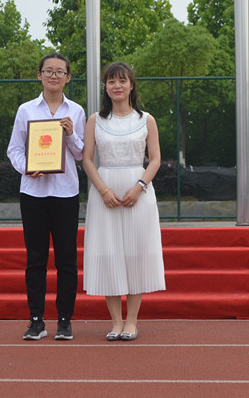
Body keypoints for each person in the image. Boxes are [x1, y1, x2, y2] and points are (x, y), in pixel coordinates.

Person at [82, 62, 166, 342]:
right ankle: (116, 322)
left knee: (135, 254)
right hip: (104, 194)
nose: (116, 86)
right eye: (111, 81)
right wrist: (103, 191)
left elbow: (155, 159)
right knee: (109, 254)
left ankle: (132, 321)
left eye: (122, 81)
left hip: (138, 194)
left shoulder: (147, 120)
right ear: (105, 87)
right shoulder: (95, 120)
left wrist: (140, 187)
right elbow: (87, 160)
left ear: (131, 85)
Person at [7, 53, 86, 341]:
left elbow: (81, 154)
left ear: (68, 78)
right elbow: (14, 149)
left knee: (66, 260)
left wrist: (71, 134)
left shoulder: (76, 111)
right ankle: (36, 320)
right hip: (33, 193)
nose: (54, 76)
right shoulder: (26, 110)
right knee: (36, 259)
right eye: (48, 71)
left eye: (59, 72)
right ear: (39, 75)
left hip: (66, 193)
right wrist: (27, 168)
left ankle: (64, 321)